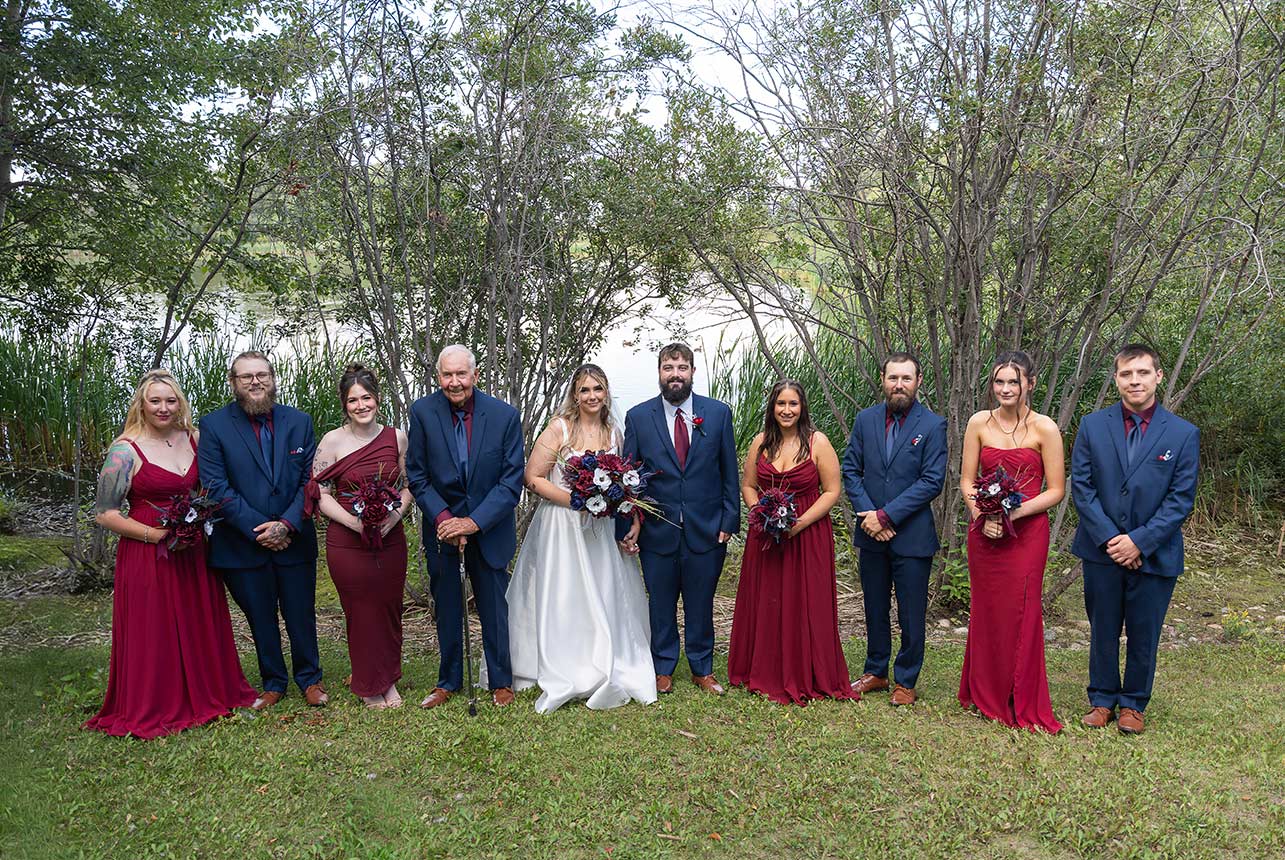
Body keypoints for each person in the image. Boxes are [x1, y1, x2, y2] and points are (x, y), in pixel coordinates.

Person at [85, 369, 255, 737]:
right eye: (155, 401)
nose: (164, 408)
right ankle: (157, 702)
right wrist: (155, 535)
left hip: (193, 548)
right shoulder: (124, 451)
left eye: (170, 400)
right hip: (148, 551)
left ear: (180, 403)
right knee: (154, 626)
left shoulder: (195, 438)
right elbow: (105, 513)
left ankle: (212, 691)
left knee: (199, 618)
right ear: (141, 405)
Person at [507, 365, 657, 713]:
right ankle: (566, 662)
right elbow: (533, 477)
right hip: (563, 525)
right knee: (566, 592)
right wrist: (575, 500)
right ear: (575, 394)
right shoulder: (559, 428)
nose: (591, 396)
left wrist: (629, 513)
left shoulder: (614, 432)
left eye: (598, 390)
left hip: (600, 527)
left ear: (606, 394)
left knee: (603, 590)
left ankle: (604, 658)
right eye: (585, 390)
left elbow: (624, 487)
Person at [1071, 343, 1199, 735]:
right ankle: (1102, 699)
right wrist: (1113, 539)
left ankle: (1134, 704)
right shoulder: (1093, 426)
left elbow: (1181, 500)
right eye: (1126, 374)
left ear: (1158, 376)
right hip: (1101, 549)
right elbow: (1083, 486)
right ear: (1116, 380)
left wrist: (1139, 542)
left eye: (1143, 373)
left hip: (1154, 554)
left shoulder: (1182, 433)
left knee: (1145, 633)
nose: (1135, 381)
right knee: (1103, 628)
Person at [198, 351, 325, 711]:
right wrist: (260, 530)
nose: (255, 382)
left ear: (272, 377)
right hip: (242, 542)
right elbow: (215, 486)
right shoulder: (214, 426)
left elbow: (308, 480)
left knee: (300, 613)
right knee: (260, 615)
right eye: (246, 376)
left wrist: (286, 524)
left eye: (262, 375)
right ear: (233, 382)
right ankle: (273, 681)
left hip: (294, 538)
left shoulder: (298, 421)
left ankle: (309, 679)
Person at [618, 342, 740, 696]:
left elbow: (728, 471)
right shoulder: (639, 417)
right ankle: (663, 668)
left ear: (692, 372)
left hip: (706, 527)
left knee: (701, 602)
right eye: (668, 368)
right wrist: (632, 526)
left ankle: (702, 668)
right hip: (658, 530)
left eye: (681, 367)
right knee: (661, 602)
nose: (675, 374)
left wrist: (729, 520)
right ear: (659, 373)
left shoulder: (717, 413)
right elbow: (630, 478)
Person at [407, 345, 524, 709]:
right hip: (443, 531)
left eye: (461, 374)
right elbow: (417, 476)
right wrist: (445, 521)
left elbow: (510, 482)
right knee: (447, 608)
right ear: (438, 376)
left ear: (475, 375)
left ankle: (501, 681)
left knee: (494, 609)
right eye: (447, 375)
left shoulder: (504, 416)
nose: (454, 382)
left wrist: (472, 523)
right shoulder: (423, 412)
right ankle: (448, 681)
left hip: (489, 530)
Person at [728, 380, 856, 705]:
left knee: (805, 601)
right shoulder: (760, 443)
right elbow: (748, 485)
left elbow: (831, 491)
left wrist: (797, 524)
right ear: (772, 407)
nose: (787, 410)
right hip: (767, 537)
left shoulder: (818, 442)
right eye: (781, 404)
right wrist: (761, 514)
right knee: (767, 599)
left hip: (807, 533)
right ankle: (763, 668)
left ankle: (808, 671)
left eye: (793, 404)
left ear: (802, 408)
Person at [957, 351, 1065, 733]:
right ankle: (984, 689)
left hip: (1026, 533)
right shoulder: (978, 424)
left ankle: (1019, 693)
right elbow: (967, 480)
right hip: (984, 533)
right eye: (999, 382)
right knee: (987, 608)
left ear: (1029, 385)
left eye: (1013, 382)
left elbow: (1055, 490)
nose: (1005, 389)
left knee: (1022, 608)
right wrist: (982, 515)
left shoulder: (1045, 429)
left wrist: (1010, 515)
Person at [841, 352, 947, 706]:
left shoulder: (933, 425)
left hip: (912, 536)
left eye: (906, 378)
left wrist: (887, 516)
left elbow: (932, 481)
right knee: (874, 606)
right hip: (870, 533)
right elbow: (851, 471)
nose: (899, 385)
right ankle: (876, 671)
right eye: (892, 378)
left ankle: (906, 680)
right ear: (882, 380)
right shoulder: (865, 420)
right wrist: (870, 514)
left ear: (918, 381)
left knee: (911, 611)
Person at [306, 365, 412, 709]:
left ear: (377, 399)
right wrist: (355, 523)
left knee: (388, 608)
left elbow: (410, 485)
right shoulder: (331, 441)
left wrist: (394, 516)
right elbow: (320, 492)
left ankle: (389, 679)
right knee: (361, 611)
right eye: (353, 400)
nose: (361, 405)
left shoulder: (397, 437)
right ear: (344, 404)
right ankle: (369, 684)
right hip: (348, 539)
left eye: (366, 397)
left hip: (390, 536)